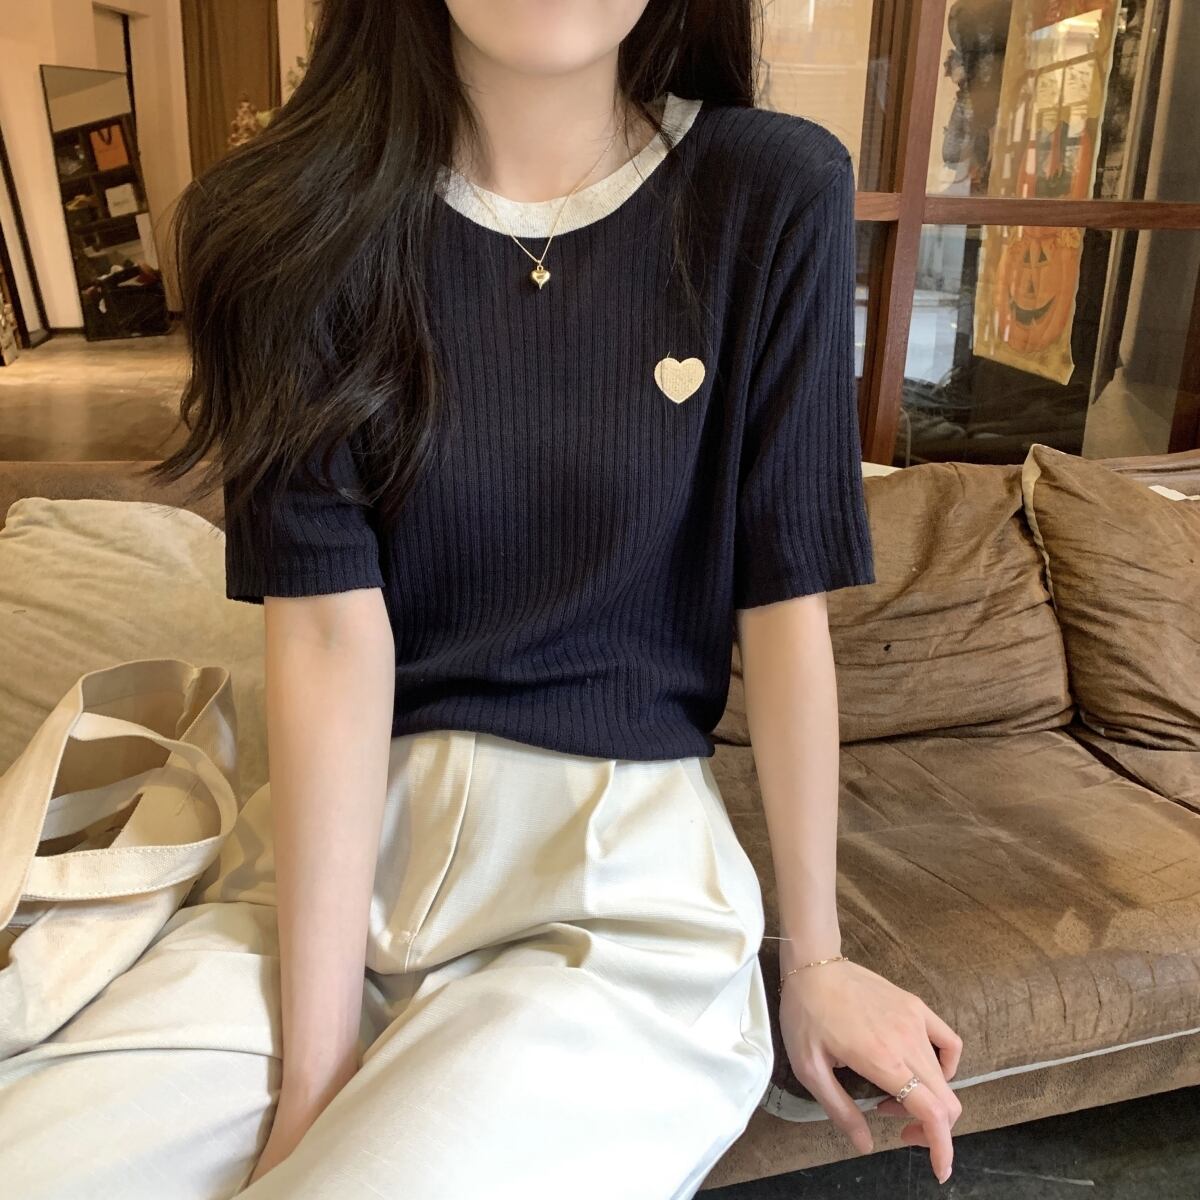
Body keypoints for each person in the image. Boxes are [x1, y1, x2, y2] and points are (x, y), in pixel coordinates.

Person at [0, 2, 963, 1196]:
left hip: (618, 902)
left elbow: (783, 607)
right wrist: (314, 1079)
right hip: (326, 872)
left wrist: (815, 959)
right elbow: (328, 633)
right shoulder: (288, 220)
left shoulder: (767, 191)